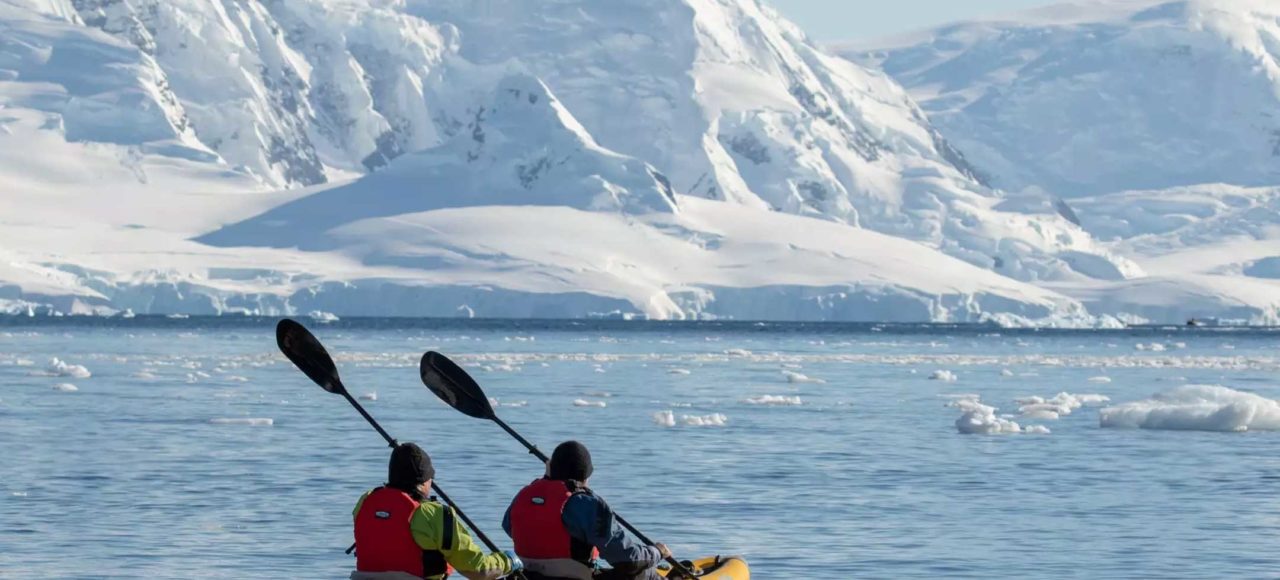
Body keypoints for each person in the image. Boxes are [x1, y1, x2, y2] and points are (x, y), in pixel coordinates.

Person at [502, 441, 671, 580]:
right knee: (643, 572)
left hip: (529, 576)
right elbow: (628, 561)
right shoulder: (585, 504)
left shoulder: (524, 495)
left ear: (550, 469)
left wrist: (547, 479)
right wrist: (657, 551)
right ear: (586, 476)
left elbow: (509, 527)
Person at [352, 442, 522, 580]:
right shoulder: (434, 515)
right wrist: (509, 561)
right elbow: (478, 570)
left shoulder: (366, 501)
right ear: (425, 481)